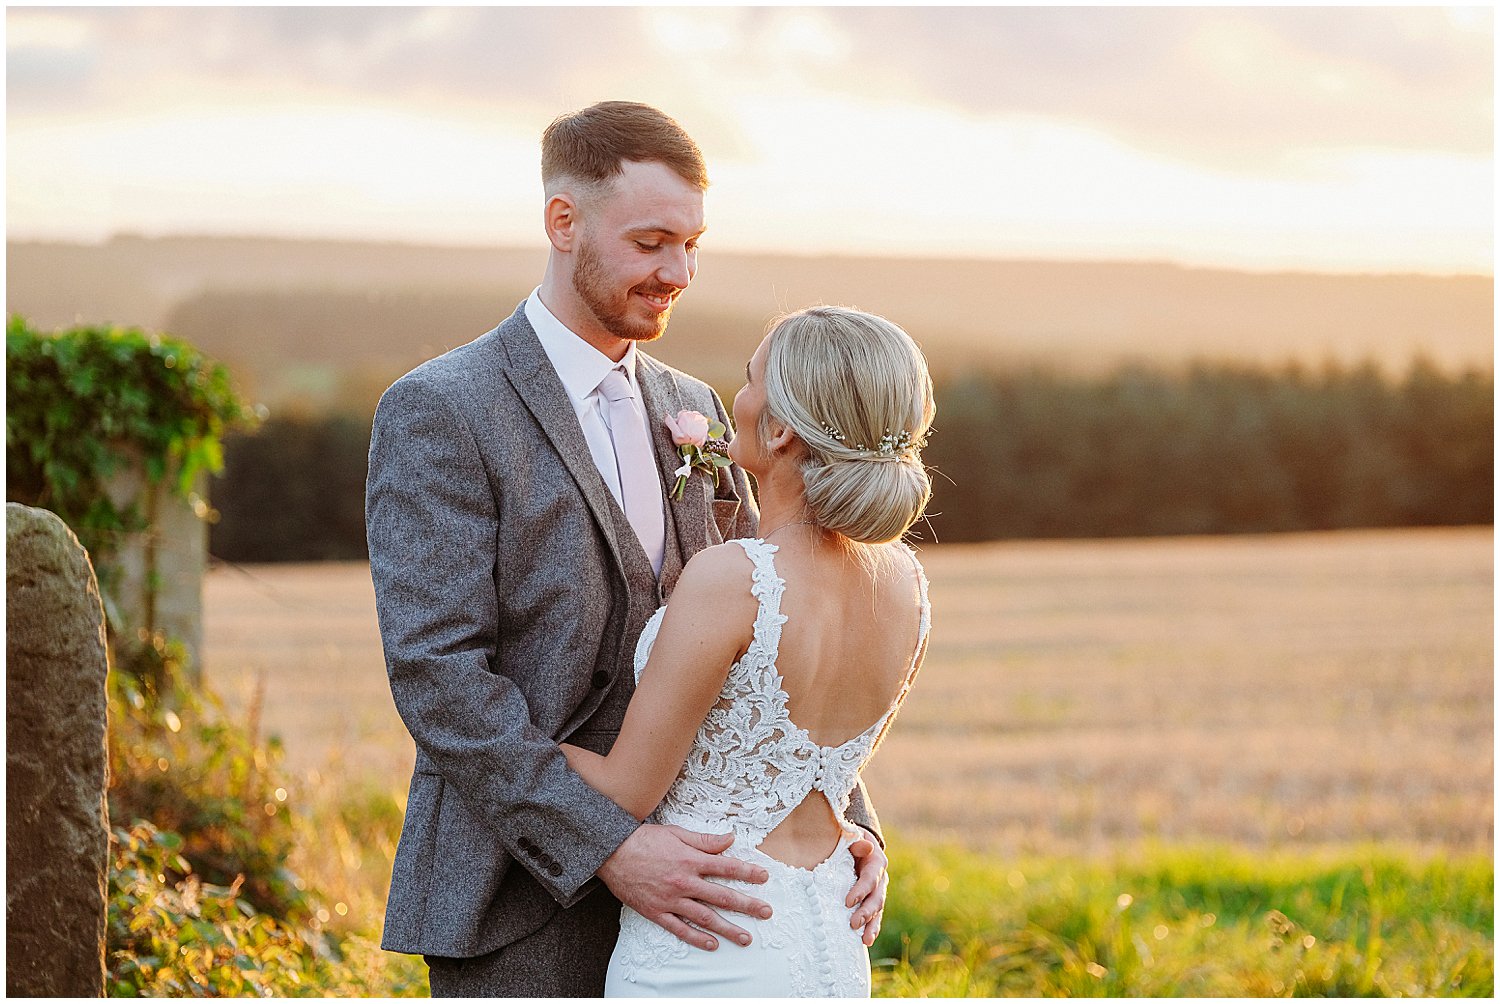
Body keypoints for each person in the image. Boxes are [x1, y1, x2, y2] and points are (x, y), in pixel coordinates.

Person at [365, 102, 889, 997]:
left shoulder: (700, 408)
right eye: (652, 242)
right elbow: (439, 675)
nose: (677, 272)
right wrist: (607, 846)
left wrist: (843, 814)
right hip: (523, 896)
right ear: (562, 223)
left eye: (691, 244)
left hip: (716, 907)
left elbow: (773, 635)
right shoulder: (442, 409)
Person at [560, 305, 936, 996]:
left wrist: (510, 741)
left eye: (749, 378)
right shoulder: (906, 585)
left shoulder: (734, 579)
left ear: (785, 427)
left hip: (713, 942)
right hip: (833, 935)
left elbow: (626, 789)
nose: (736, 398)